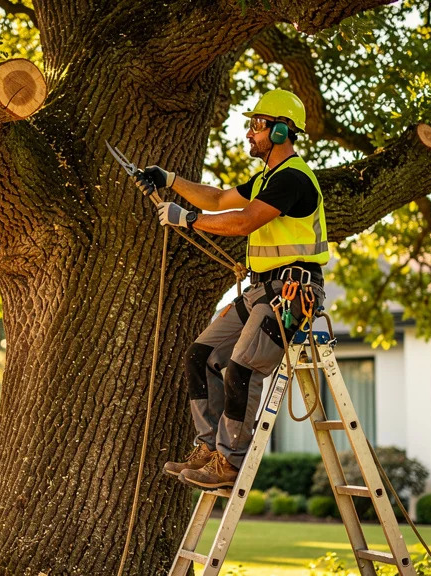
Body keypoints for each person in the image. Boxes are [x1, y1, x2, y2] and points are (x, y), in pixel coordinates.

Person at [134, 89, 329, 490]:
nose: (249, 133)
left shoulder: (293, 179)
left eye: (257, 125)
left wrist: (186, 219)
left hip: (292, 292)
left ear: (280, 131)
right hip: (261, 291)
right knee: (200, 355)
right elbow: (220, 198)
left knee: (242, 366)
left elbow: (243, 221)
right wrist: (169, 180)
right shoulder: (266, 178)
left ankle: (229, 462)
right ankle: (208, 448)